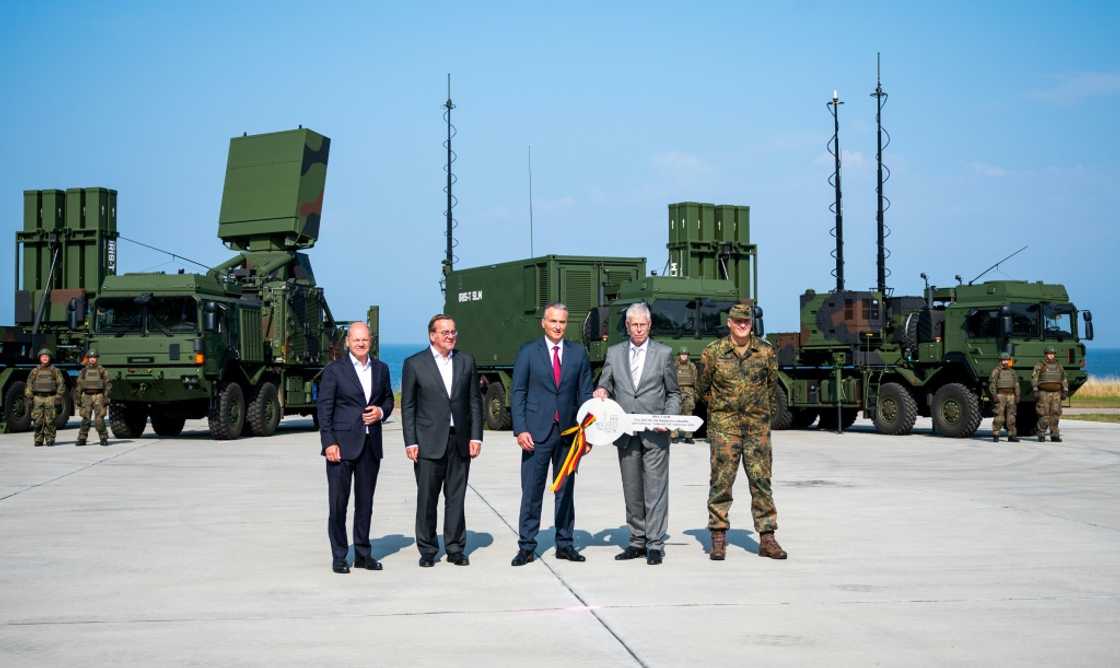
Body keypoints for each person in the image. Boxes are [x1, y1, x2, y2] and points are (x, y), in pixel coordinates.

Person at [696, 302, 787, 561]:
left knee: (761, 482)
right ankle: (718, 536)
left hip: (757, 428)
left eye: (746, 321)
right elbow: (703, 388)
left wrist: (759, 413)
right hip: (725, 428)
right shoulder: (713, 352)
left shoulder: (765, 351)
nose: (742, 325)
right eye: (737, 321)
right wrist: (721, 410)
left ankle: (767, 537)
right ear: (729, 323)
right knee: (721, 482)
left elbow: (771, 387)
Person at [594, 303, 680, 565]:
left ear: (649, 325)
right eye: (634, 325)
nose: (639, 329)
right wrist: (601, 391)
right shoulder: (614, 353)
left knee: (655, 490)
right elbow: (605, 384)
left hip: (655, 433)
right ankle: (636, 541)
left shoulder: (664, 353)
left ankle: (654, 544)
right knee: (632, 490)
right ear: (627, 326)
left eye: (643, 325)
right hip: (625, 433)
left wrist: (668, 419)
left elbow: (673, 393)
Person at [510, 302, 594, 566]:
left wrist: (587, 434)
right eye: (553, 321)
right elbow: (518, 392)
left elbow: (585, 395)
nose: (558, 326)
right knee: (531, 491)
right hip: (536, 434)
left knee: (565, 491)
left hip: (569, 434)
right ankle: (526, 546)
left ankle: (565, 544)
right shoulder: (528, 352)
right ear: (543, 323)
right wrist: (520, 429)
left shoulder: (578, 353)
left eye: (562, 322)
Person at [401, 314, 483, 568]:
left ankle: (455, 548)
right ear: (432, 335)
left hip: (460, 440)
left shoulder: (466, 361)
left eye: (453, 332)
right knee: (427, 499)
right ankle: (427, 550)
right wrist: (410, 441)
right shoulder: (415, 364)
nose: (450, 336)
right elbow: (408, 406)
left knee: (456, 497)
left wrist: (476, 436)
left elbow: (474, 402)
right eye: (445, 332)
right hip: (428, 442)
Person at [317, 322, 394, 574]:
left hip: (370, 446)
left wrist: (380, 412)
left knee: (365, 504)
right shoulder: (334, 370)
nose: (361, 343)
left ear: (370, 342)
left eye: (365, 339)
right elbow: (324, 409)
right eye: (356, 339)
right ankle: (340, 555)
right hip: (340, 447)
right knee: (338, 504)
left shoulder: (381, 369)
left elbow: (388, 399)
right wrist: (329, 442)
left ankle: (363, 554)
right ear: (348, 342)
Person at [25, 348, 66, 447]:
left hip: (50, 398)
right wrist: (29, 397)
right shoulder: (35, 371)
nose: (45, 358)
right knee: (37, 421)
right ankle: (38, 439)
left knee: (50, 420)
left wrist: (58, 397)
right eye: (43, 356)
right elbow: (29, 384)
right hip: (37, 398)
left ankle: (50, 438)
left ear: (50, 358)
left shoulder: (55, 371)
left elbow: (61, 384)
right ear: (40, 358)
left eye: (46, 356)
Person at [75, 349, 111, 447]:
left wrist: (106, 397)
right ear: (88, 359)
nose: (92, 359)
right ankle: (82, 438)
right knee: (85, 418)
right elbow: (79, 385)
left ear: (97, 358)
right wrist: (78, 398)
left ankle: (103, 438)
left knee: (99, 419)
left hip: (99, 396)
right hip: (87, 396)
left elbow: (107, 385)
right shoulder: (84, 371)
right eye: (90, 357)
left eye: (94, 357)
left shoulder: (102, 370)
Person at [1032, 346, 1068, 443]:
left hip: (1056, 393)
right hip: (1044, 393)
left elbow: (1064, 379)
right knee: (1044, 414)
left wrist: (1065, 390)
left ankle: (1055, 435)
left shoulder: (1059, 366)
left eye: (1052, 354)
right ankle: (1041, 434)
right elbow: (1035, 377)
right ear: (1045, 354)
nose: (1051, 355)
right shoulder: (1040, 365)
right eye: (1049, 354)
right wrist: (1035, 390)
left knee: (1055, 414)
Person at [989, 353, 1020, 443]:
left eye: (1007, 360)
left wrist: (1017, 395)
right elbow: (992, 384)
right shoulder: (996, 371)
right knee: (999, 416)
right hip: (1000, 395)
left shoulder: (1012, 372)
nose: (1005, 362)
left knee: (1012, 416)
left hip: (1011, 395)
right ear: (1000, 361)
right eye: (1003, 360)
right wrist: (994, 395)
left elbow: (1016, 384)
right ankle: (996, 434)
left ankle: (1011, 435)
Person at [674, 346, 698, 444]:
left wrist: (695, 393)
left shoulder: (692, 366)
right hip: (677, 390)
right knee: (675, 413)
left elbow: (695, 379)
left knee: (689, 414)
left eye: (685, 354)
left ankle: (688, 436)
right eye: (682, 354)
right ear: (679, 355)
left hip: (689, 391)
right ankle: (674, 435)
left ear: (688, 356)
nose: (684, 356)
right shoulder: (674, 366)